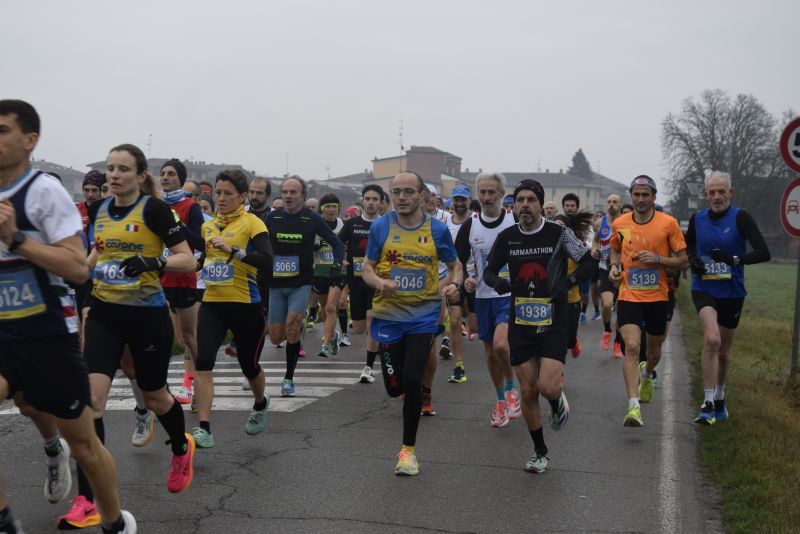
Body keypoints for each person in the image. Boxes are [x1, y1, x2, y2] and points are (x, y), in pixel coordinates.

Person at [0, 100, 136, 534]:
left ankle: (114, 523)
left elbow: (78, 268)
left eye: (2, 130)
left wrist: (16, 239)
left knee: (84, 446)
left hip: (46, 336)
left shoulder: (43, 192)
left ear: (30, 140)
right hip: (3, 335)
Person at [84, 143, 197, 494]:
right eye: (110, 169)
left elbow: (189, 260)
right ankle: (89, 496)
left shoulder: (155, 210)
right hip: (104, 314)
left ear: (140, 175)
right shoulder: (100, 209)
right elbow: (97, 254)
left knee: (155, 398)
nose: (114, 175)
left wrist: (156, 261)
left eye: (123, 169)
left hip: (146, 317)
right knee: (92, 402)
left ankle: (181, 448)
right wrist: (73, 273)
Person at [484, 179, 593, 473]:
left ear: (540, 204)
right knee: (529, 390)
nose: (525, 205)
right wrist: (498, 283)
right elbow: (489, 271)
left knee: (547, 386)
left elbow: (588, 263)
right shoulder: (507, 237)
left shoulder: (558, 234)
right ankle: (540, 452)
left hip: (554, 320)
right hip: (520, 322)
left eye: (531, 199)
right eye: (520, 199)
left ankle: (556, 401)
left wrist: (568, 282)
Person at [362, 171, 461, 476]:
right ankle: (401, 390)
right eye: (396, 192)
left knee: (413, 377)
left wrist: (453, 284)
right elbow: (367, 267)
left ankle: (408, 452)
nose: (402, 197)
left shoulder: (437, 230)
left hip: (423, 315)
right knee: (395, 388)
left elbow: (454, 266)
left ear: (422, 196)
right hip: (389, 315)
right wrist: (379, 282)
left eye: (408, 191)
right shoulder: (381, 226)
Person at [191, 170, 274, 448]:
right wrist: (182, 267)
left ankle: (260, 403)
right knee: (204, 361)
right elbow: (204, 260)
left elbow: (267, 261)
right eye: (218, 192)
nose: (222, 198)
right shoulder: (209, 226)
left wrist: (234, 251)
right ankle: (204, 428)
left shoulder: (253, 223)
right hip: (213, 305)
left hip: (246, 306)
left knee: (249, 366)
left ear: (242, 197)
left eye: (228, 193)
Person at [686, 171, 770, 425]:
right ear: (705, 195)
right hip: (703, 288)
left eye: (721, 191)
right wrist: (693, 260)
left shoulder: (741, 217)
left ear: (730, 193)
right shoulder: (697, 219)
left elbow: (763, 252)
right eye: (712, 192)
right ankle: (707, 403)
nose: (717, 196)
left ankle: (720, 396)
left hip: (732, 291)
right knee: (712, 339)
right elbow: (688, 245)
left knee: (723, 352)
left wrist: (734, 259)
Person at [609, 175, 688, 427]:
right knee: (632, 346)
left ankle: (646, 373)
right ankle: (633, 407)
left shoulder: (668, 224)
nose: (641, 199)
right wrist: (613, 267)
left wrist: (658, 259)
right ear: (631, 196)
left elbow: (683, 260)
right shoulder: (620, 223)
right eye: (637, 194)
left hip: (657, 296)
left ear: (654, 197)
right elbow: (615, 249)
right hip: (628, 294)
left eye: (645, 195)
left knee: (653, 353)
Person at [264, 176, 344, 397]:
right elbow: (256, 243)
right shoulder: (272, 218)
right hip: (275, 284)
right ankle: (296, 325)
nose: (288, 196)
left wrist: (336, 266)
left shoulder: (312, 218)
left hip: (301, 283)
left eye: (293, 192)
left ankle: (288, 379)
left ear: (302, 196)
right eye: (285, 192)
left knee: (292, 324)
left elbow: (337, 244)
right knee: (275, 337)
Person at [455, 173, 521, 427]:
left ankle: (512, 389)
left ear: (502, 194)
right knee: (491, 353)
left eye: (492, 192)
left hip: (509, 295)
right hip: (482, 297)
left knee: (502, 345)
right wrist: (465, 280)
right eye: (482, 192)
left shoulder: (514, 221)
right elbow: (458, 262)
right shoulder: (470, 226)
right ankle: (501, 400)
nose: (486, 197)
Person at [159, 159, 205, 407]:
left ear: (180, 179)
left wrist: (177, 225)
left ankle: (202, 384)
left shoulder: (191, 207)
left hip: (185, 280)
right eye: (163, 173)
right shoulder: (154, 206)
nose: (165, 177)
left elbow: (200, 243)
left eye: (171, 174)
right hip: (159, 279)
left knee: (189, 338)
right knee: (166, 337)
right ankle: (161, 392)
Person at [338, 185, 382, 383]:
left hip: (377, 281)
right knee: (359, 328)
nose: (371, 202)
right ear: (362, 201)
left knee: (372, 318)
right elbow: (338, 243)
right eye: (368, 198)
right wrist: (341, 258)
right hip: (355, 280)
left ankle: (368, 367)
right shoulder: (351, 224)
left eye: (375, 199)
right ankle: (377, 342)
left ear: (381, 202)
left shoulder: (386, 224)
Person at [442, 184, 472, 383]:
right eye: (456, 199)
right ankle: (459, 367)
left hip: (476, 278)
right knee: (454, 320)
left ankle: (467, 318)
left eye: (463, 199)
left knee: (473, 324)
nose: (459, 203)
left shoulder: (476, 221)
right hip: (454, 276)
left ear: (469, 200)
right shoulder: (445, 224)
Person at [312, 194, 347, 357]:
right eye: (327, 207)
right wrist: (315, 246)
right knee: (325, 309)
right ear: (322, 209)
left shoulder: (343, 225)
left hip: (338, 271)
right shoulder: (315, 224)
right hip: (319, 271)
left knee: (331, 307)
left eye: (334, 206)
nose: (331, 210)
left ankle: (325, 344)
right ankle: (332, 335)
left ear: (338, 208)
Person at [592, 194, 623, 355]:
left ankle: (618, 340)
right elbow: (596, 240)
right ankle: (607, 330)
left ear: (621, 205)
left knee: (621, 309)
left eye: (615, 202)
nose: (611, 205)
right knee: (607, 304)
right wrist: (594, 249)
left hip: (623, 270)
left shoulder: (627, 222)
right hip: (605, 268)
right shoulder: (600, 222)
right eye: (609, 202)